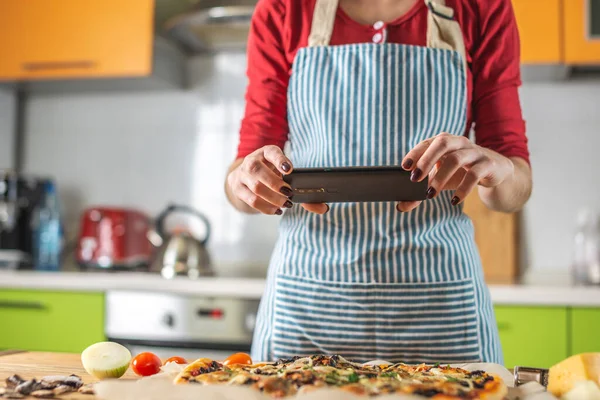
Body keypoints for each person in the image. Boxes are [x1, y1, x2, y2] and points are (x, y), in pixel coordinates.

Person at [225, 0, 532, 364]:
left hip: (440, 309)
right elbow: (241, 176)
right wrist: (245, 183)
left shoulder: (482, 8)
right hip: (307, 306)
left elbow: (515, 186)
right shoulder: (283, 10)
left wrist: (500, 169)